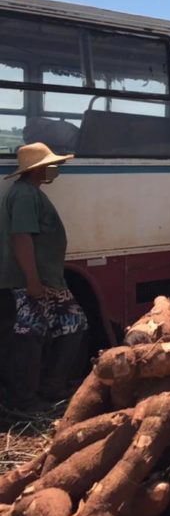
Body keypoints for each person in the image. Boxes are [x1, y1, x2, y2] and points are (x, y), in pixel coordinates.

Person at [0, 143, 87, 411]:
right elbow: (22, 238)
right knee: (27, 339)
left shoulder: (31, 193)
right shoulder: (25, 195)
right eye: (53, 165)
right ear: (39, 170)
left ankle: (51, 387)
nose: (56, 170)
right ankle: (23, 400)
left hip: (49, 281)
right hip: (30, 283)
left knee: (73, 324)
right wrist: (32, 281)